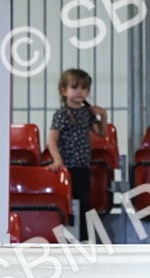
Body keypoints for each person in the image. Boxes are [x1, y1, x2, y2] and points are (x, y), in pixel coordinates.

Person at [46, 68, 109, 240]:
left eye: (84, 88)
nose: (80, 91)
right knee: (70, 201)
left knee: (83, 202)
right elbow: (52, 139)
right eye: (75, 87)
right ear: (64, 91)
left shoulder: (86, 113)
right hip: (67, 166)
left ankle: (84, 236)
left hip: (82, 165)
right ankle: (67, 235)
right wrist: (58, 160)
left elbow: (101, 133)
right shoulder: (61, 114)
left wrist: (103, 116)